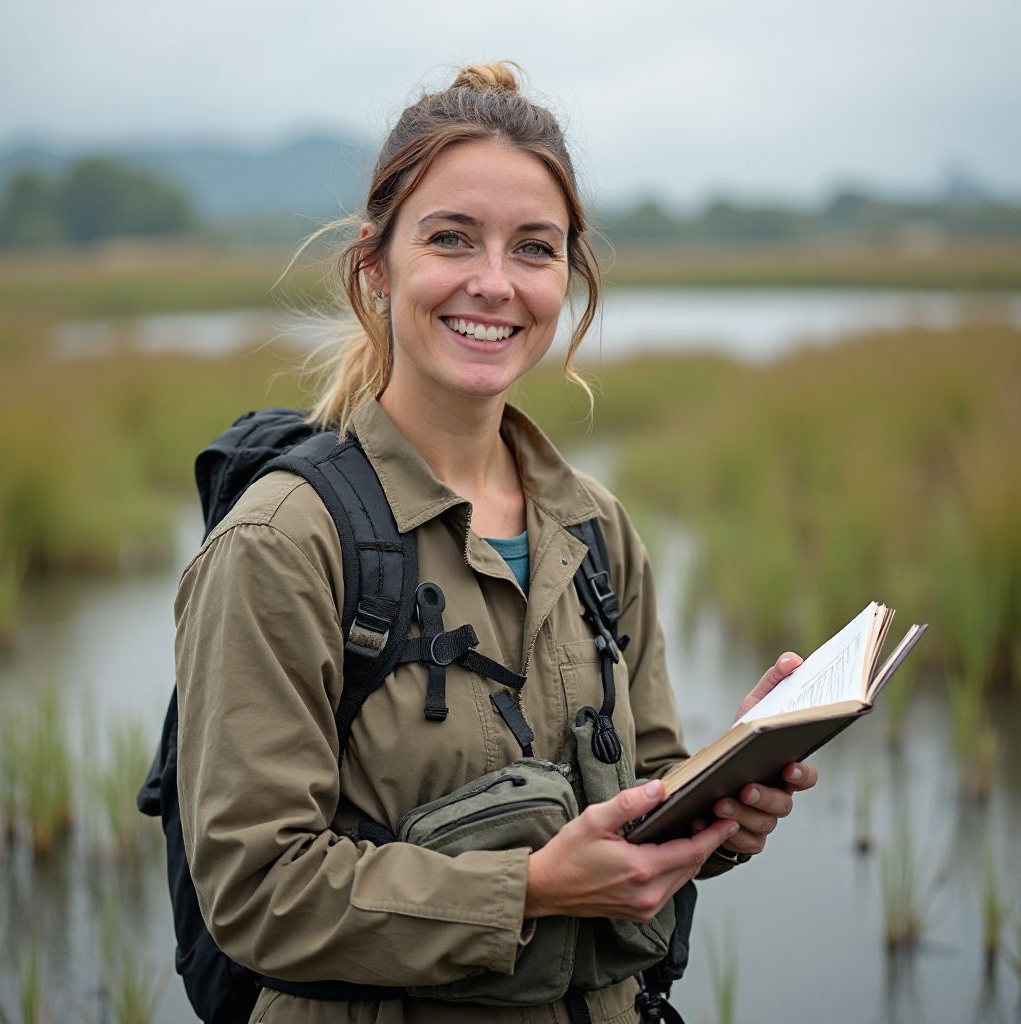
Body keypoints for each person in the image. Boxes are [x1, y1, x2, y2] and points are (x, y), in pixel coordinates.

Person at [174, 62, 819, 1024]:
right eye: (450, 239)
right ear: (374, 263)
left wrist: (724, 798)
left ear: (569, 277)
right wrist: (531, 890)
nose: (493, 283)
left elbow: (640, 791)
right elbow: (256, 894)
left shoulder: (597, 529)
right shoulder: (282, 542)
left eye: (534, 248)